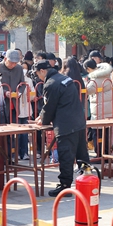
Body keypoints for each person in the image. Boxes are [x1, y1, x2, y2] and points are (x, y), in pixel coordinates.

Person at [34, 60, 88, 197]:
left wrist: (42, 119)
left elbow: (49, 106)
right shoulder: (65, 78)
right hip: (79, 122)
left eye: (37, 74)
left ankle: (65, 186)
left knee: (66, 157)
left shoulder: (51, 83)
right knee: (82, 155)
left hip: (65, 125)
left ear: (42, 71)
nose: (38, 77)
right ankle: (88, 182)